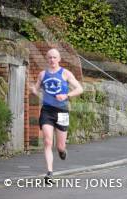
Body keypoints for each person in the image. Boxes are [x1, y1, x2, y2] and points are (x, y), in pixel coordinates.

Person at [30, 48, 83, 183]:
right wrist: (34, 90)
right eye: (50, 57)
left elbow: (80, 89)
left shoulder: (65, 73)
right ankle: (49, 173)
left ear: (59, 59)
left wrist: (67, 95)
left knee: (60, 146)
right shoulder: (42, 74)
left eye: (54, 57)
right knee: (48, 141)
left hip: (62, 111)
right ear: (47, 59)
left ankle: (62, 151)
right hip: (47, 111)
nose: (52, 60)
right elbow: (36, 89)